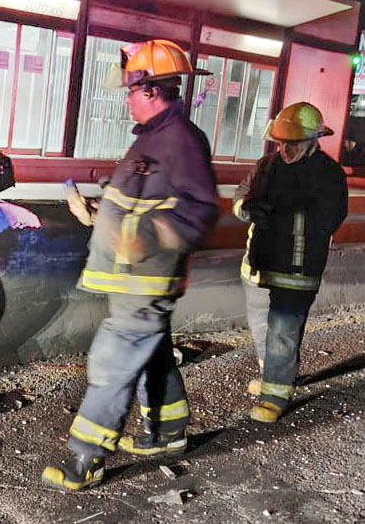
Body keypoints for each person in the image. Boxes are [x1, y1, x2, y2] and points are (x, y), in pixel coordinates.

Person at [44, 39, 219, 491]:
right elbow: (144, 201)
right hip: (134, 278)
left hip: (147, 279)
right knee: (152, 356)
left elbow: (199, 211)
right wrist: (98, 212)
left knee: (113, 361)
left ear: (152, 91)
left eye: (131, 91)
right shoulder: (155, 139)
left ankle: (86, 459)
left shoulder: (181, 141)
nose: (126, 100)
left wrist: (146, 236)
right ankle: (168, 433)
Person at [234, 102, 347, 423]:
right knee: (260, 326)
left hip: (296, 271)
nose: (284, 149)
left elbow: (326, 220)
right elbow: (241, 194)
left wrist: (278, 216)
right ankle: (271, 373)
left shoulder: (328, 174)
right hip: (257, 266)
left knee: (283, 332)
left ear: (313, 140)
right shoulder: (266, 165)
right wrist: (247, 208)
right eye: (281, 142)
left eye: (292, 143)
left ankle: (275, 397)